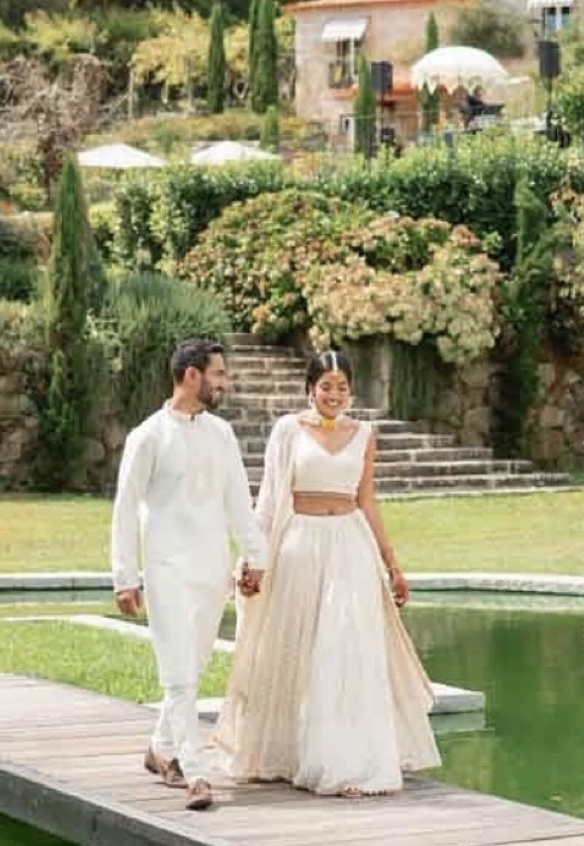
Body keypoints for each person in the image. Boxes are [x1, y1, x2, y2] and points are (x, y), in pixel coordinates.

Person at [213, 349, 441, 797]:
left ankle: (346, 764)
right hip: (300, 547)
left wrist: (392, 565)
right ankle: (292, 755)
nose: (334, 395)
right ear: (310, 389)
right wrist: (253, 559)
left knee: (345, 650)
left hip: (350, 549)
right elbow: (269, 499)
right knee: (299, 651)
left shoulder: (364, 434)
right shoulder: (288, 430)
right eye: (326, 386)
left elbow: (367, 500)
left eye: (342, 387)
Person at [110, 338, 269, 811]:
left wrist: (255, 556)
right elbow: (124, 509)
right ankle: (196, 774)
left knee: (192, 669)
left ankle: (160, 749)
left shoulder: (221, 434)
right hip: (166, 571)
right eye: (218, 374)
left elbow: (238, 500)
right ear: (192, 375)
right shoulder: (148, 436)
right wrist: (125, 576)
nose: (225, 383)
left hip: (212, 569)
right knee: (179, 676)